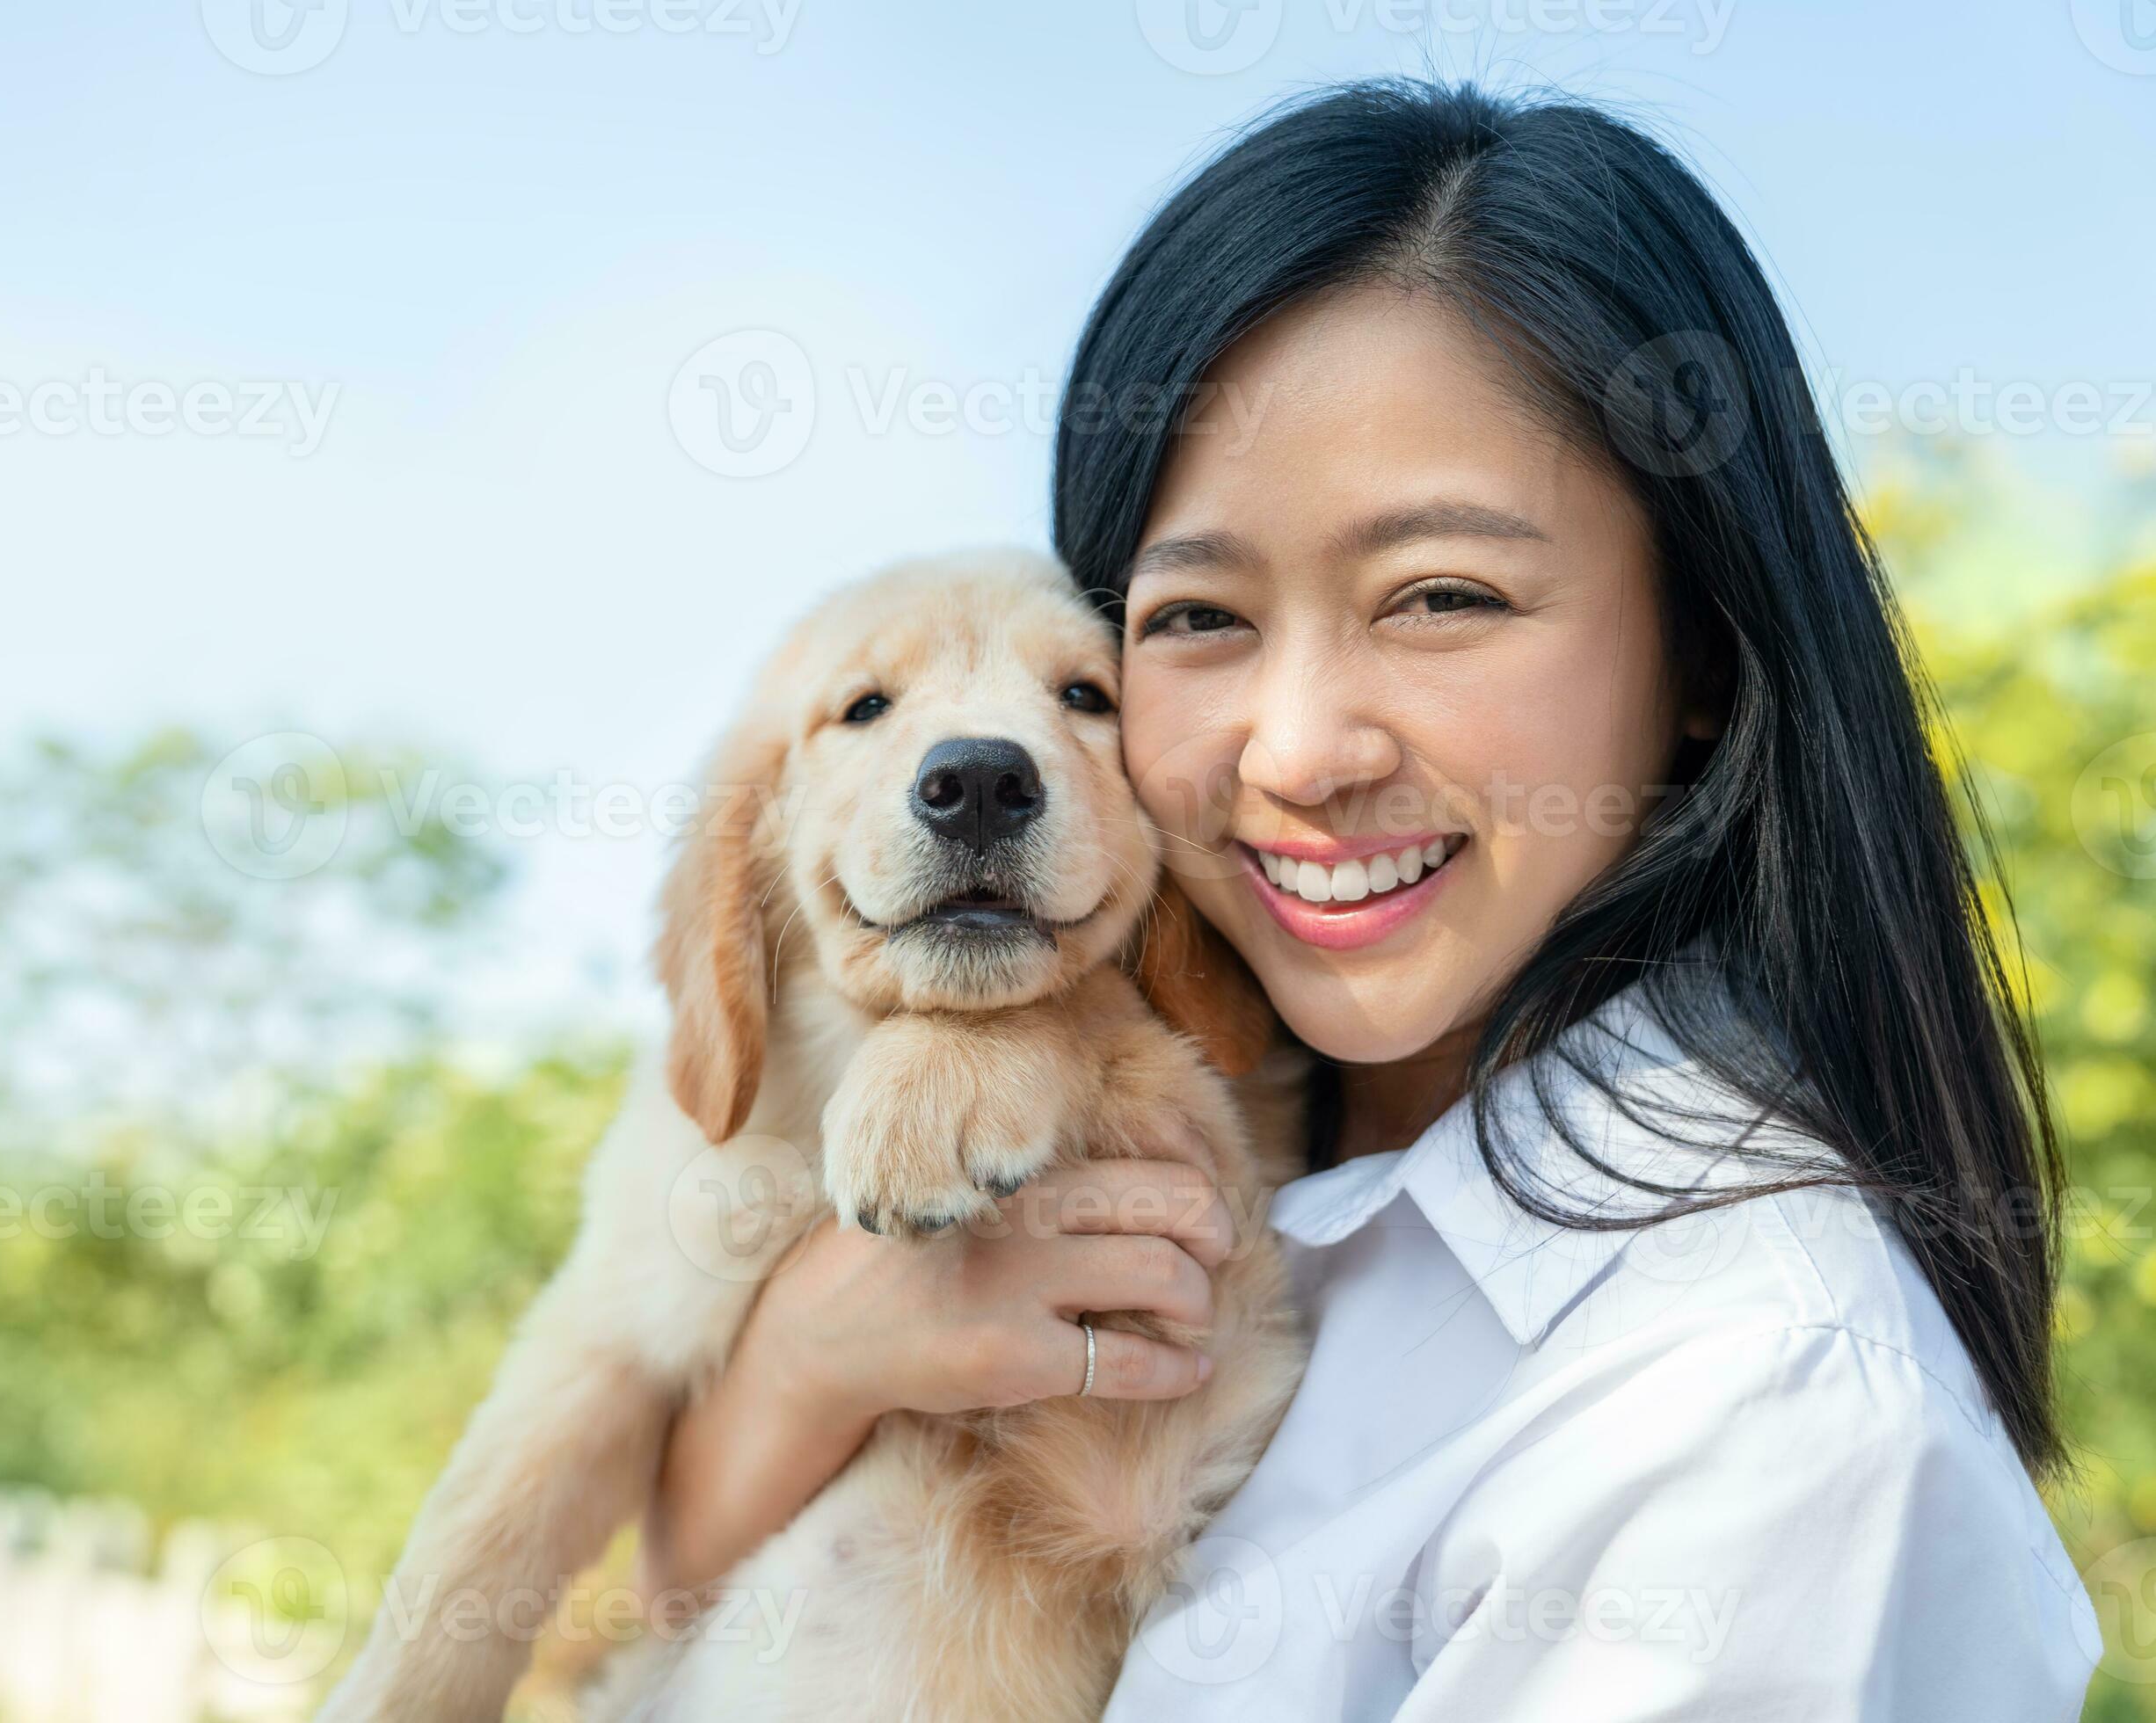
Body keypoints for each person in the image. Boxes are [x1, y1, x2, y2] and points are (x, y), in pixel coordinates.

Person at [641, 80, 2099, 1717]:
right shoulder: (1077, 1120)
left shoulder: (1749, 1404)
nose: (1303, 750)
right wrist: (800, 1371)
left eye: (1443, 596)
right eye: (1197, 617)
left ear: (1702, 648)